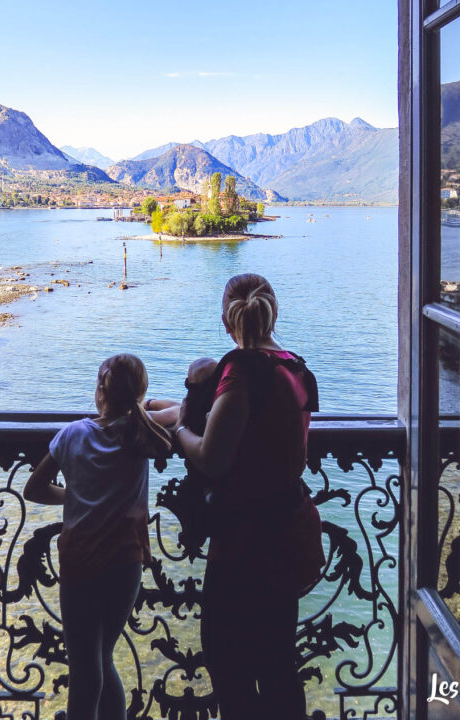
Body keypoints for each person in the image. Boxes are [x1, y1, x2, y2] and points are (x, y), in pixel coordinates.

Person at [174, 273, 325, 720]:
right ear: (273, 312)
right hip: (288, 529)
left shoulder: (239, 371)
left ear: (226, 321)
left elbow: (211, 456)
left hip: (244, 542)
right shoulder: (295, 367)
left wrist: (180, 426)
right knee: (278, 665)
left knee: (229, 669)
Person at [23, 353, 172, 720]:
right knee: (102, 657)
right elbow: (183, 410)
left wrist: (71, 495)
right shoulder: (140, 432)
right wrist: (144, 404)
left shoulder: (72, 434)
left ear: (100, 390)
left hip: (80, 561)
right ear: (137, 394)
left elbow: (33, 488)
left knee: (85, 666)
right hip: (126, 561)